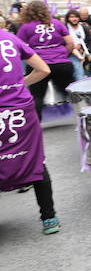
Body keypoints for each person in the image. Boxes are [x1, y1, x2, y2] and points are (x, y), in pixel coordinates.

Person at [0, 29, 61, 235]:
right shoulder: (9, 38)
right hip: (21, 108)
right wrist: (17, 85)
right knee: (34, 159)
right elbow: (43, 69)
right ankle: (49, 217)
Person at [17, 1, 75, 119]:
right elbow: (70, 43)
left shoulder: (25, 27)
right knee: (71, 91)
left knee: (37, 95)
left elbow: (19, 47)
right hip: (61, 63)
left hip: (39, 65)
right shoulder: (57, 23)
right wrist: (63, 54)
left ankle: (36, 124)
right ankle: (82, 117)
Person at [64, 9, 87, 80]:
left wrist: (82, 48)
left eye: (76, 17)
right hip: (70, 54)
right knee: (79, 73)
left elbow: (90, 41)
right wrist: (72, 48)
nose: (74, 19)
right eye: (72, 17)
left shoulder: (84, 27)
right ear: (68, 18)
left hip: (84, 53)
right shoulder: (64, 28)